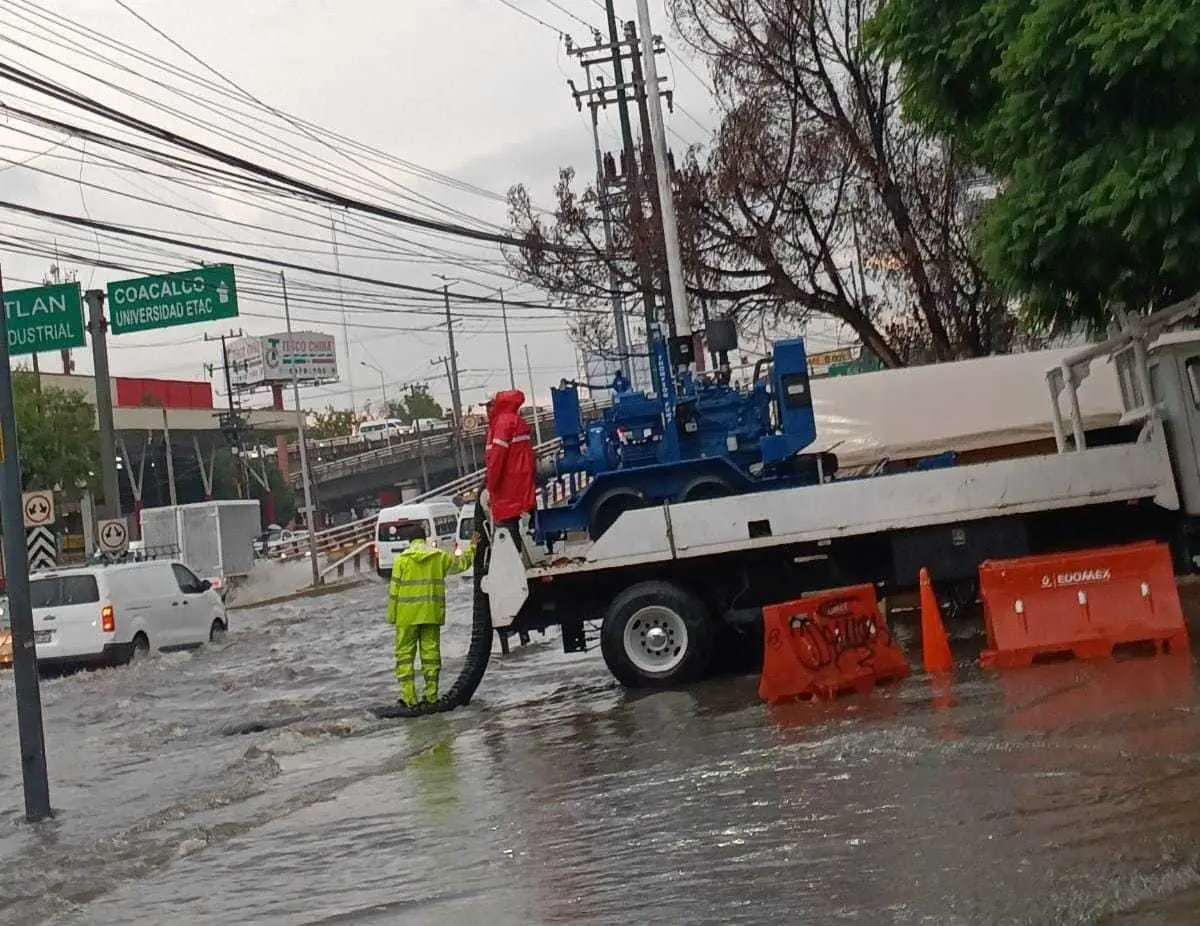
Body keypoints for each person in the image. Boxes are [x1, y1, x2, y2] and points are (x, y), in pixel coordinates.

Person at [387, 524, 475, 706]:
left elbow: (393, 592)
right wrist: (473, 547)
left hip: (406, 617)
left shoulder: (401, 560)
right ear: (425, 539)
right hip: (431, 614)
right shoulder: (438, 557)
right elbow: (462, 564)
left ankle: (409, 700)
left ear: (409, 541)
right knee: (431, 655)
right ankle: (431, 696)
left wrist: (392, 617)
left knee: (404, 658)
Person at [484, 389, 536, 542]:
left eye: (489, 406)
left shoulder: (502, 424)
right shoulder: (515, 420)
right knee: (513, 532)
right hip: (519, 485)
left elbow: (496, 459)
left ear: (497, 405)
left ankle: (482, 561)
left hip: (506, 489)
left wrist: (490, 487)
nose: (487, 411)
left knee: (505, 534)